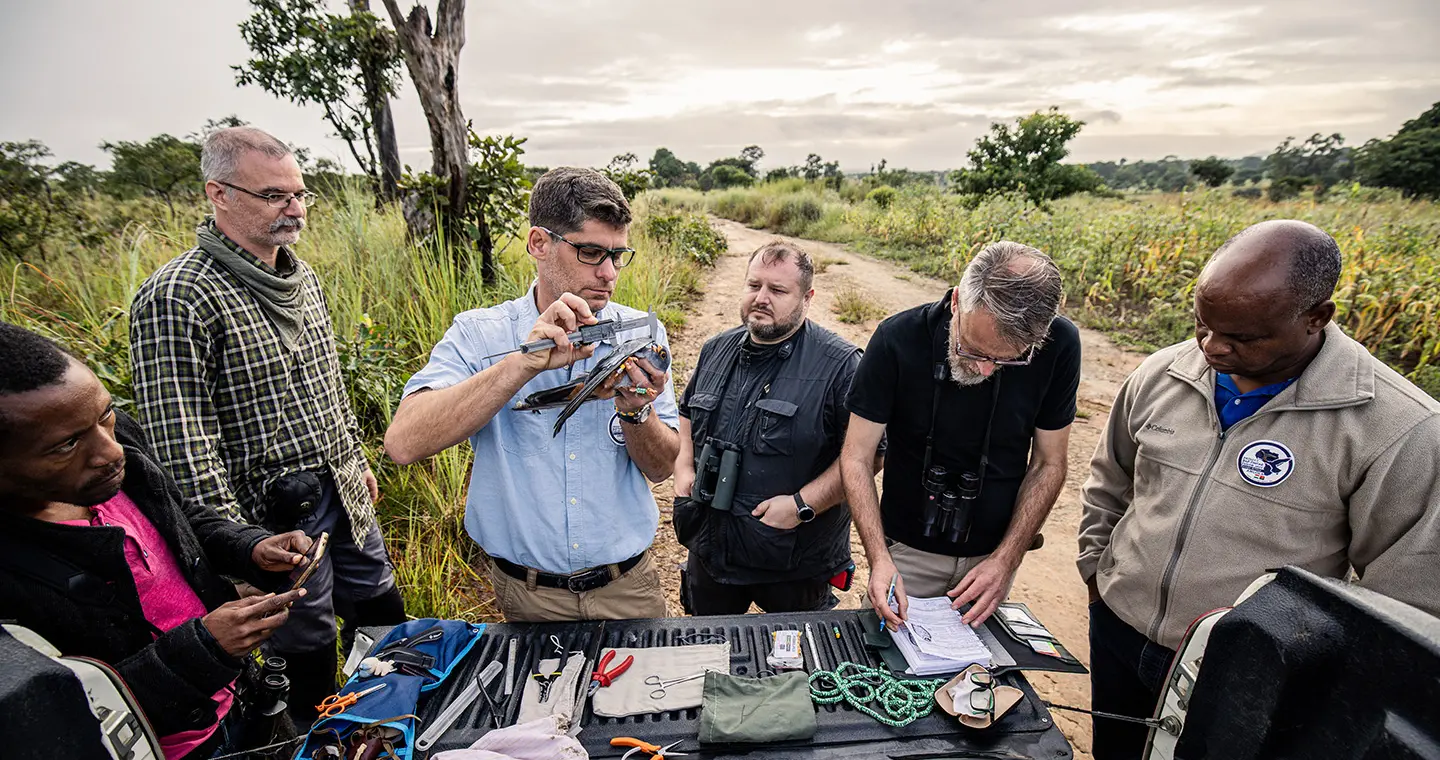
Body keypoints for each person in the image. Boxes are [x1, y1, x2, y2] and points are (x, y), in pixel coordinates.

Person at [1077, 219, 1440, 759]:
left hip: (1249, 676)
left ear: (1317, 318)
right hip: (1120, 635)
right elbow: (1110, 483)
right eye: (1202, 324)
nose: (1211, 347)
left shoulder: (1398, 430)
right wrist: (1096, 574)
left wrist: (1303, 683)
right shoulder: (1161, 374)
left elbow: (1403, 606)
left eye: (1242, 337)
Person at [128, 126, 406, 727]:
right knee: (306, 654)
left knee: (384, 617)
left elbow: (326, 381)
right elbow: (184, 443)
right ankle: (320, 738)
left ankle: (397, 724)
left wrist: (353, 459)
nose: (295, 209)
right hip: (270, 520)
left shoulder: (300, 276)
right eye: (275, 195)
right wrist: (234, 552)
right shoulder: (178, 295)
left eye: (300, 194)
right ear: (219, 193)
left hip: (340, 488)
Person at [0, 323, 311, 760]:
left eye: (105, 414)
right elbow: (61, 721)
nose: (111, 452)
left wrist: (250, 547)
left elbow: (178, 517)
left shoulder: (109, 443)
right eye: (67, 445)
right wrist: (201, 650)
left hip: (243, 699)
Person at [386, 167, 679, 622]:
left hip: (629, 586)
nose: (608, 273)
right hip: (526, 595)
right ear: (539, 243)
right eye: (590, 251)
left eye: (618, 255)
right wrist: (522, 364)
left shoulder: (642, 333)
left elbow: (661, 470)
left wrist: (636, 411)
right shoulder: (480, 334)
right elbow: (404, 443)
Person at [841, 241, 1079, 630]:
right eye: (973, 349)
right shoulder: (896, 339)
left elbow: (1049, 462)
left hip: (992, 559)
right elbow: (856, 456)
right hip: (907, 553)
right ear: (956, 302)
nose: (986, 370)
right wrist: (880, 558)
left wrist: (1007, 559)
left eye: (1007, 359)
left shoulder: (1060, 344)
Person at [673, 241, 869, 614]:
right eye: (753, 286)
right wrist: (684, 465)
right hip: (711, 546)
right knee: (707, 654)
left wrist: (802, 505)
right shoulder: (716, 348)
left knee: (795, 662)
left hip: (793, 559)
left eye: (777, 290)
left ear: (807, 297)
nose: (761, 298)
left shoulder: (841, 365)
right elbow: (687, 410)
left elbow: (868, 455)